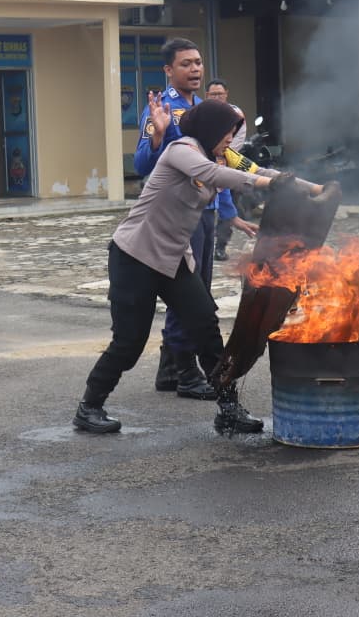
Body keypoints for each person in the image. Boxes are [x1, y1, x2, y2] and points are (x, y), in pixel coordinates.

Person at [74, 98, 319, 435]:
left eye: (233, 133)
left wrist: (316, 189)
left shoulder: (223, 155)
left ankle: (228, 409)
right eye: (226, 132)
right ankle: (89, 406)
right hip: (135, 256)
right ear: (210, 129)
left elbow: (262, 173)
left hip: (175, 257)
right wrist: (268, 186)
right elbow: (214, 175)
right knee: (129, 341)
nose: (230, 140)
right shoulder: (182, 150)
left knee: (205, 326)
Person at [134, 39, 256, 399]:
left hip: (207, 212)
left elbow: (222, 163)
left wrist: (230, 213)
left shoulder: (204, 109)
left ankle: (170, 369)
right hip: (179, 216)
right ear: (168, 70)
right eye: (185, 63)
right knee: (189, 293)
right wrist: (157, 137)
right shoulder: (162, 109)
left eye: (198, 62)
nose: (195, 69)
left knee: (195, 289)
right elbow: (141, 163)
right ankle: (187, 372)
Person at [205, 78, 247, 261]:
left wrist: (222, 156)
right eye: (213, 94)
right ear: (207, 95)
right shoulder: (201, 112)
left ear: (226, 94)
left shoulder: (236, 114)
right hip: (204, 163)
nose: (217, 97)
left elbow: (236, 141)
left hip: (228, 162)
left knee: (227, 204)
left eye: (220, 94)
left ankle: (220, 246)